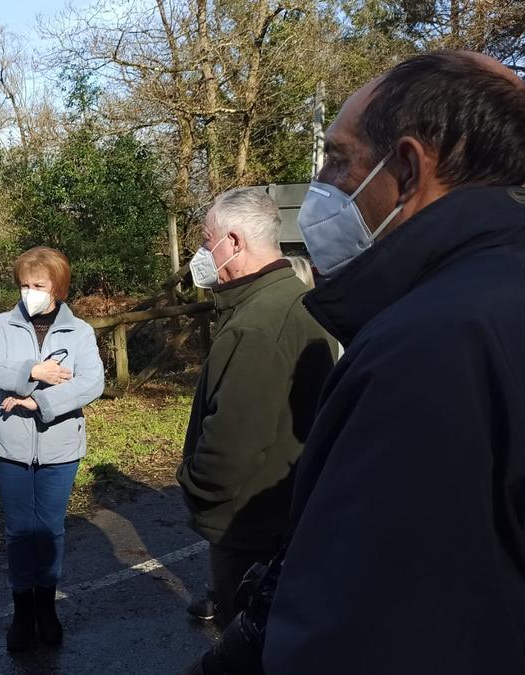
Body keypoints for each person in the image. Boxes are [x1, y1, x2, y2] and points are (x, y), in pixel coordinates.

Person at [194, 51, 525, 674]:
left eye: (339, 158)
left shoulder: (432, 343)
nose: (323, 183)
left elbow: (366, 629)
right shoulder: (498, 292)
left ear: (406, 167)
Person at [177, 189, 337, 629]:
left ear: (233, 242)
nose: (203, 252)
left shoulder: (257, 324)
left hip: (249, 526)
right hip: (284, 514)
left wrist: (192, 484)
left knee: (244, 642)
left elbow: (232, 446)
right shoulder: (295, 298)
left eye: (208, 240)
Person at [0, 246, 104, 651]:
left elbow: (91, 383)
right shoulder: (1, 324)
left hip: (60, 447)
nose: (29, 292)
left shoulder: (79, 331)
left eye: (38, 285)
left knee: (49, 529)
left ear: (58, 288)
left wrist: (39, 402)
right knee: (17, 532)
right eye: (24, 284)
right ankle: (22, 611)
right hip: (10, 444)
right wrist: (33, 371)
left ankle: (46, 607)